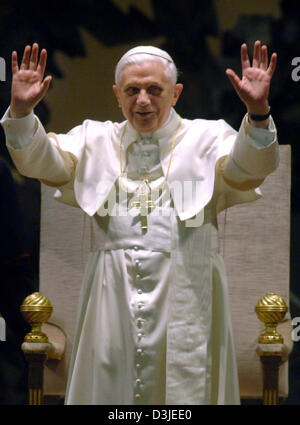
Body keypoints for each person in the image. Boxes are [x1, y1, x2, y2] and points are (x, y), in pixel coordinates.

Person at [0, 41, 278, 405]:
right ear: (117, 95)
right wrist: (21, 113)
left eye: (154, 90)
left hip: (190, 288)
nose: (142, 100)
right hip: (112, 293)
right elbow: (40, 162)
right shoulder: (94, 139)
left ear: (175, 93)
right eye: (132, 90)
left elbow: (249, 169)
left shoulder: (208, 138)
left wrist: (257, 114)